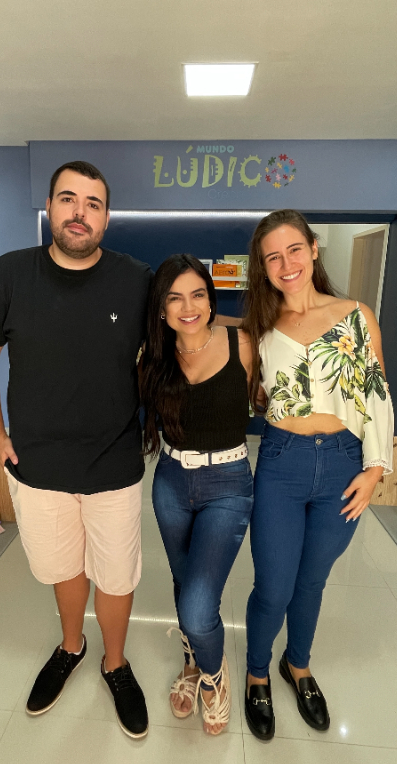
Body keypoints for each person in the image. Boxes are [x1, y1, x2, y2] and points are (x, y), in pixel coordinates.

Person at [0, 161, 153, 739]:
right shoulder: (10, 274)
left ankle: (114, 663)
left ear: (106, 216)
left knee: (116, 575)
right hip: (37, 466)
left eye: (92, 203)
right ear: (49, 206)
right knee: (63, 568)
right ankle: (71, 649)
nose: (80, 212)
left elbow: (182, 338)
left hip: (114, 463)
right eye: (68, 199)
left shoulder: (136, 279)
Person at [241, 209, 394, 741]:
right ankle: (257, 672)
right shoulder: (259, 329)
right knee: (273, 585)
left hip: (343, 467)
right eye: (273, 257)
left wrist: (376, 469)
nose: (286, 264)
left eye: (294, 251)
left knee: (311, 581)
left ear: (313, 250)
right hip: (282, 463)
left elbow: (376, 395)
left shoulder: (356, 315)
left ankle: (297, 666)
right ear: (263, 267)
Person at [140, 255, 253, 735]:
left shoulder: (243, 344)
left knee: (198, 605)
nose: (188, 307)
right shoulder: (153, 355)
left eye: (198, 295)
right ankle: (191, 662)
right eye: (175, 297)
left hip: (228, 482)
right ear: (161, 308)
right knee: (184, 582)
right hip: (170, 481)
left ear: (212, 300)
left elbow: (280, 398)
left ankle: (213, 676)